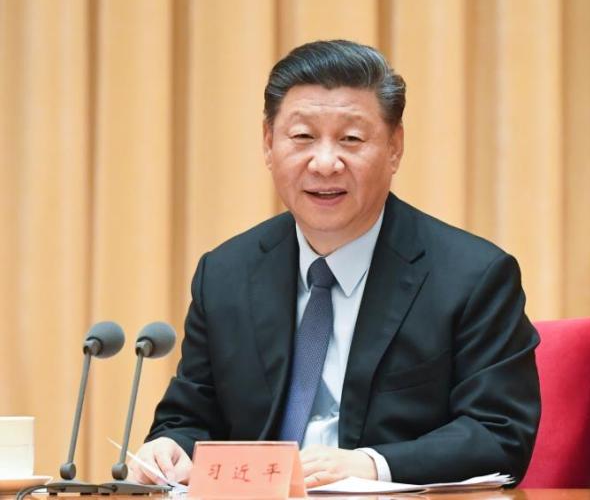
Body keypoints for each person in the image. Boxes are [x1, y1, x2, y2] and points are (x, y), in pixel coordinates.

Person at [129, 40, 540, 488]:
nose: (325, 163)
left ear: (395, 147)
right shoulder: (226, 274)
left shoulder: (472, 277)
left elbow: (498, 434)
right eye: (303, 137)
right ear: (268, 144)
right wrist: (169, 447)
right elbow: (189, 419)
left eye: (351, 139)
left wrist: (370, 465)